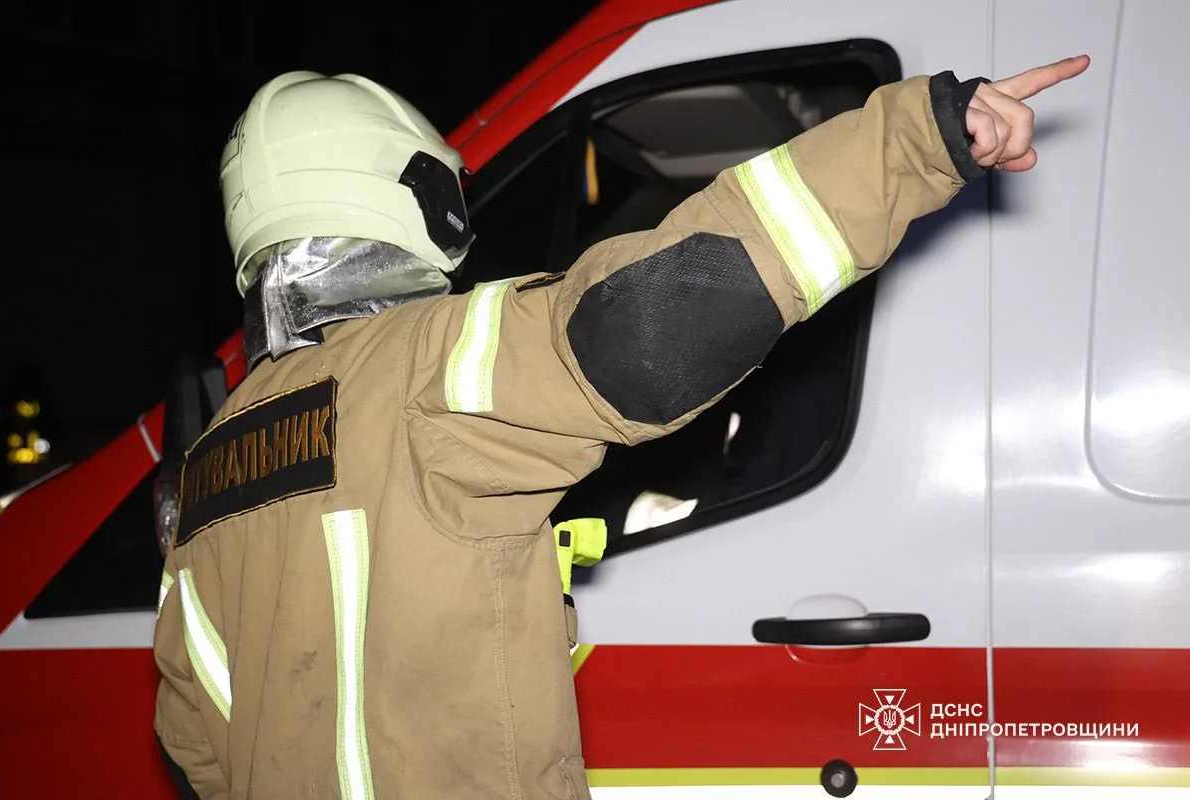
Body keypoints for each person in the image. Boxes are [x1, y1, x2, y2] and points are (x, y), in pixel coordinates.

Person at [152, 56, 1089, 799]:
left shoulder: (214, 464)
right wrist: (917, 139)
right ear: (408, 195)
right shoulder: (423, 364)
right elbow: (643, 328)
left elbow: (193, 735)